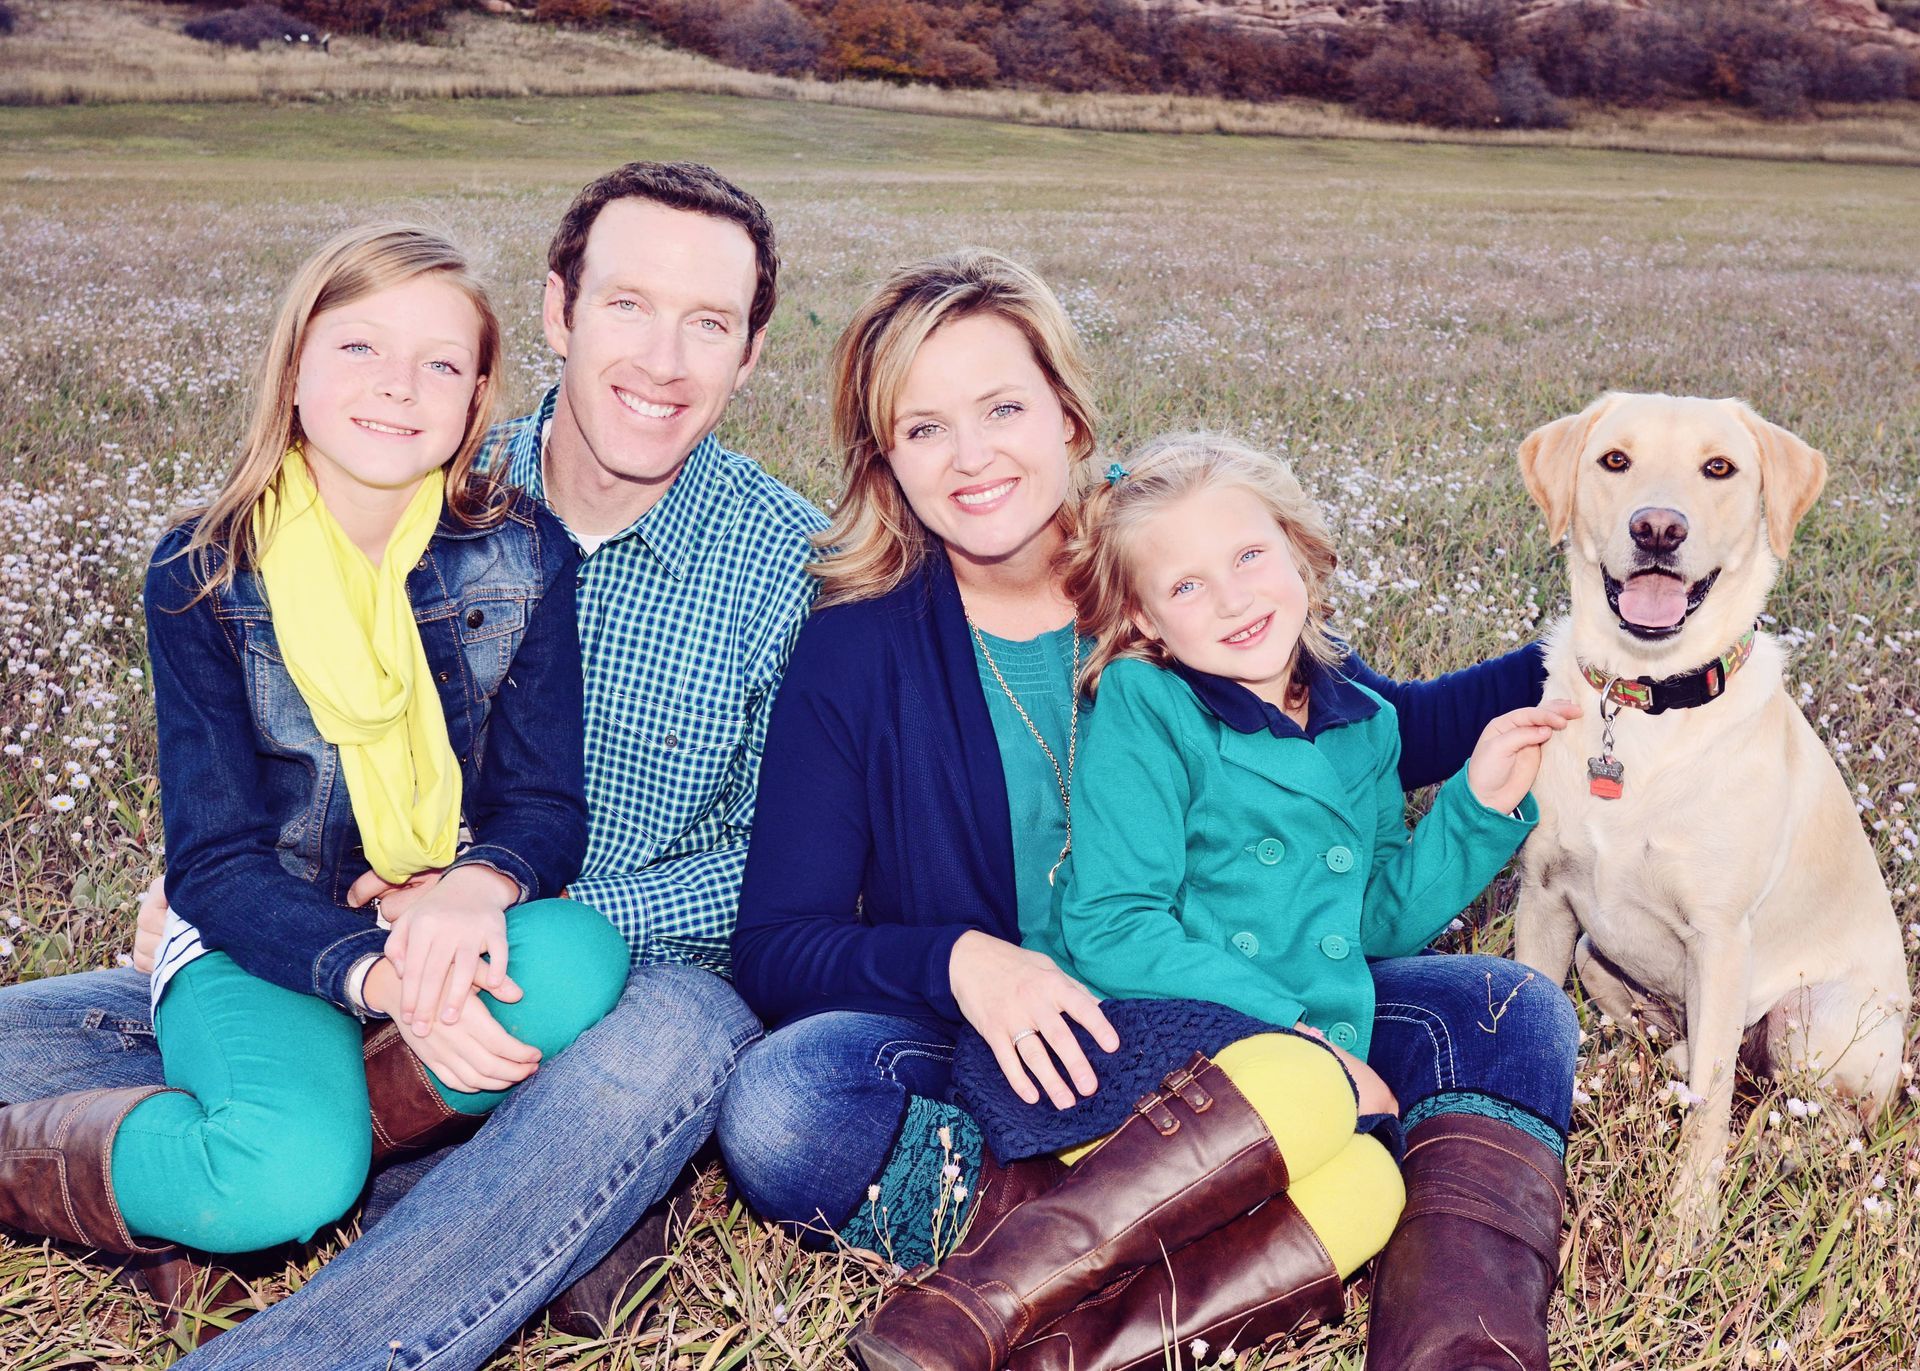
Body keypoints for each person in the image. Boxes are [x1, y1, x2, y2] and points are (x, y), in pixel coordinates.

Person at [0, 163, 820, 1369]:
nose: (663, 359)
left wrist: (470, 906)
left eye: (710, 324)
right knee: (55, 1039)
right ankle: (395, 1150)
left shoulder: (795, 564)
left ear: (750, 357)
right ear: (557, 313)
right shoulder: (427, 483)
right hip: (338, 946)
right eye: (629, 305)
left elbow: (782, 862)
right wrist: (283, 911)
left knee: (654, 1054)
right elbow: (249, 801)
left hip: (623, 968)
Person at [720, 249, 1583, 1371]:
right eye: (924, 428)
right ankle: (1192, 1231)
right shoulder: (857, 646)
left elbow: (1377, 728)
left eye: (1002, 407)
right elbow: (780, 946)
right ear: (887, 461)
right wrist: (966, 964)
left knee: (1507, 1011)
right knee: (786, 1108)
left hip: (1238, 982)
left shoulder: (1168, 569)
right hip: (1024, 1054)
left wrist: (1587, 651)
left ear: (1070, 418)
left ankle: (1454, 1341)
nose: (973, 456)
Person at [0, 219, 628, 1267]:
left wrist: (472, 890)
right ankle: (89, 1156)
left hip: (434, 910)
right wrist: (377, 976)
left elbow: (544, 808)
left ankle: (345, 1118)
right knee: (279, 1178)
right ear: (294, 370)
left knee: (582, 959)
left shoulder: (523, 554)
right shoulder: (202, 570)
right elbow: (215, 866)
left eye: (440, 363)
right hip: (259, 934)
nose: (399, 386)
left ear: (477, 399)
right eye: (360, 348)